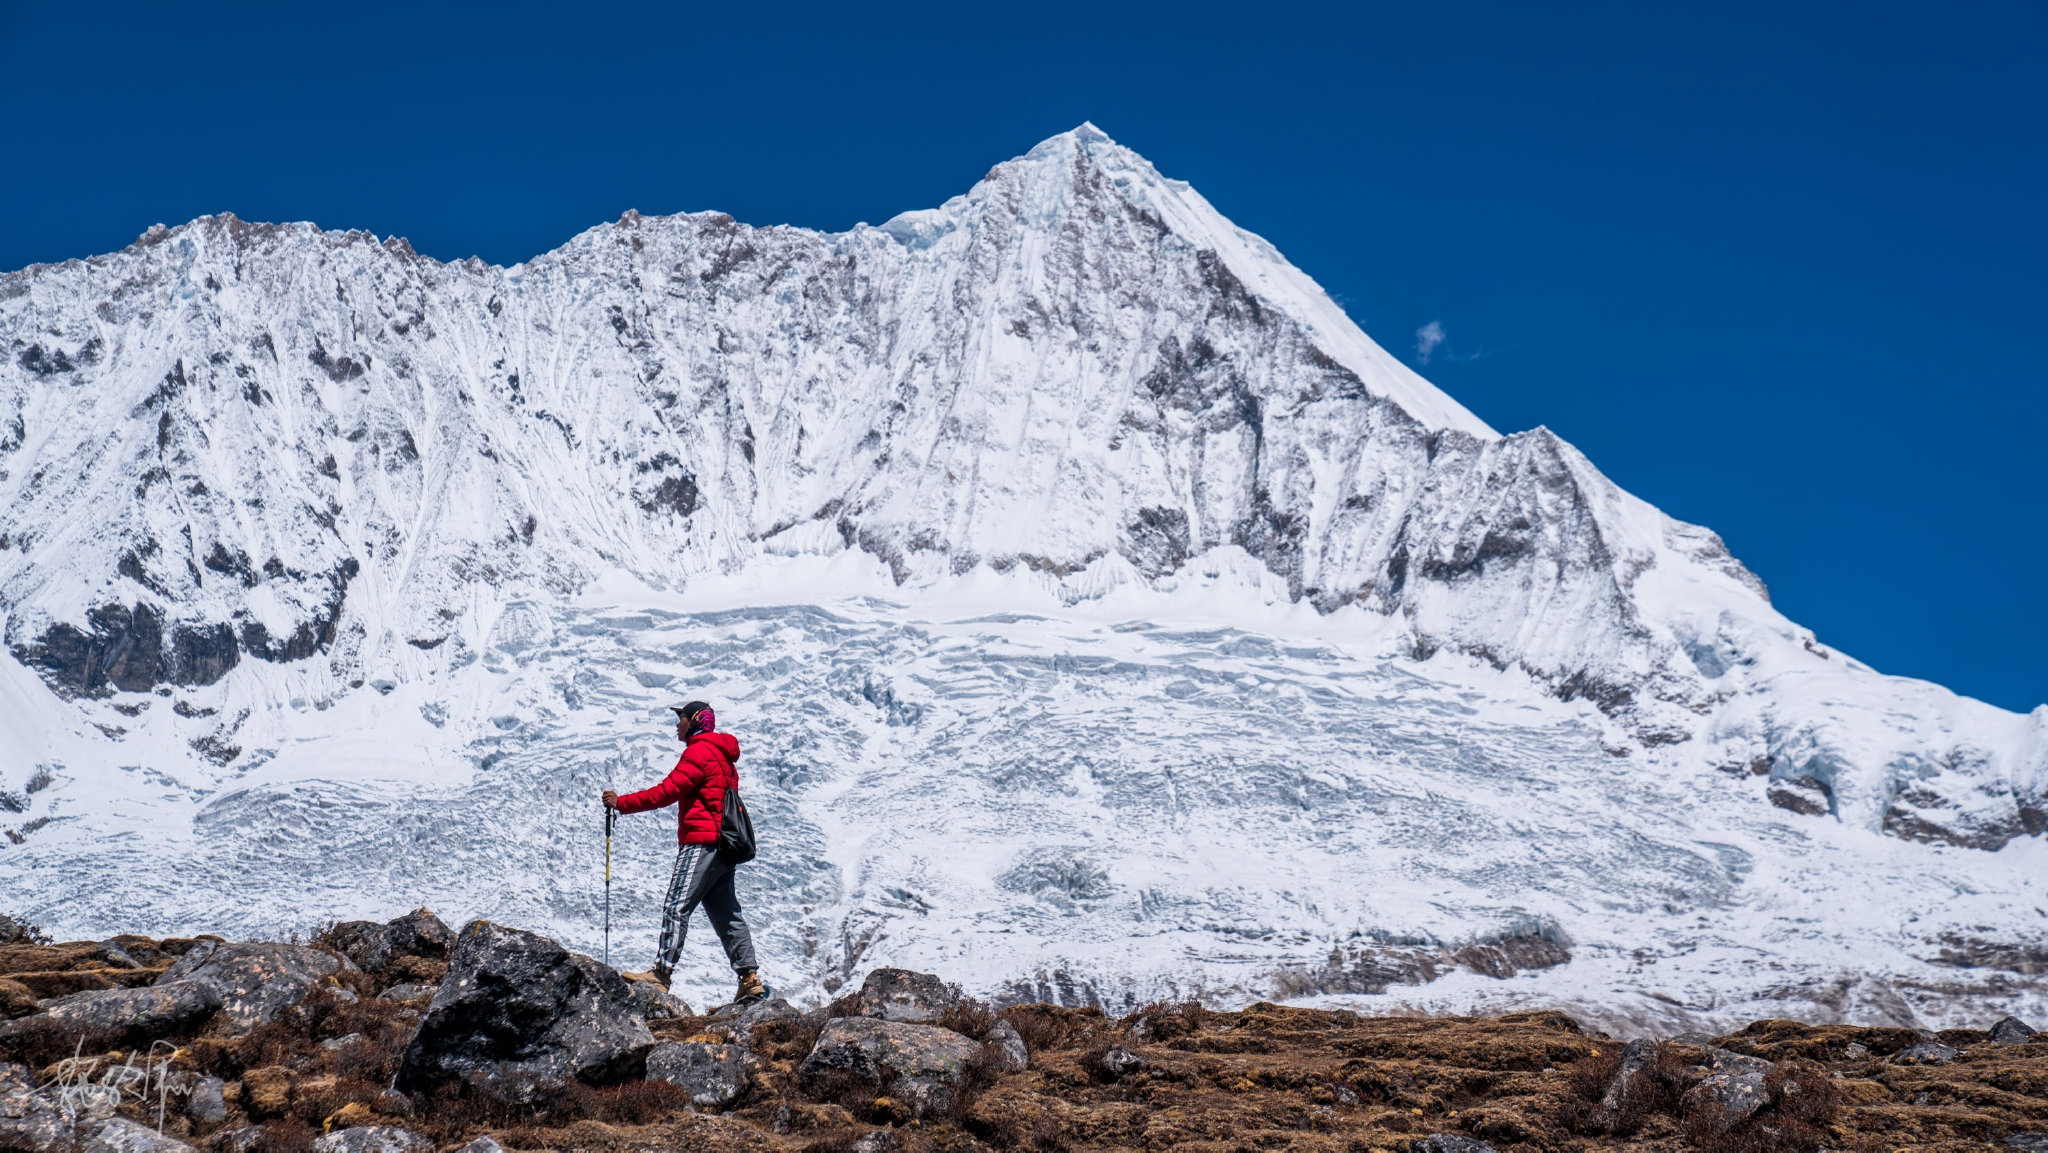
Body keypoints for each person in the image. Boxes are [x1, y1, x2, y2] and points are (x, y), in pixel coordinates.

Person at [603, 700, 768, 1004]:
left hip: (702, 842)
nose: (676, 724)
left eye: (680, 719)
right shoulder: (722, 756)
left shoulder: (699, 752)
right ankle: (750, 978)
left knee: (676, 906)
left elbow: (667, 791)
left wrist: (621, 802)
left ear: (694, 721)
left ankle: (662, 974)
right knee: (727, 913)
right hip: (723, 847)